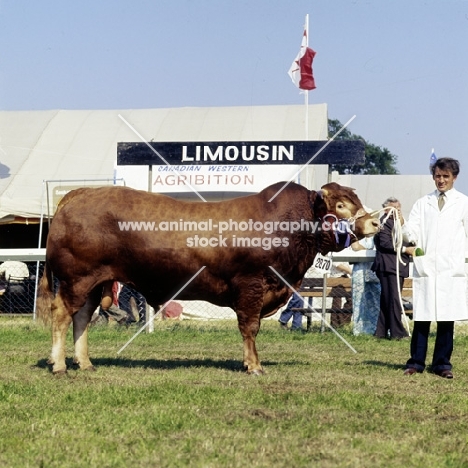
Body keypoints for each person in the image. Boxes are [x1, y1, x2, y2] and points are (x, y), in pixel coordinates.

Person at [402, 157, 468, 379]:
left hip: (450, 268)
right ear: (433, 177)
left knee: (446, 317)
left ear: (454, 178)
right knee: (422, 316)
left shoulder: (463, 203)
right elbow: (412, 229)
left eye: (445, 176)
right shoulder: (423, 203)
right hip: (427, 266)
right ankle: (416, 363)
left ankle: (442, 364)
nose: (441, 180)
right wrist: (403, 228)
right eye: (438, 176)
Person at [372, 197, 411, 340]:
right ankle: (397, 332)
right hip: (389, 266)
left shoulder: (398, 223)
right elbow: (385, 243)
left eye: (399, 208)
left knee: (387, 299)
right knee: (394, 299)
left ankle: (381, 331)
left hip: (394, 266)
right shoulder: (384, 222)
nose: (397, 211)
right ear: (386, 209)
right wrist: (406, 249)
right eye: (394, 208)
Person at [350, 237, 381, 335]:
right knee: (359, 300)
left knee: (377, 299)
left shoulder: (377, 234)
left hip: (374, 268)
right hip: (359, 269)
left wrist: (362, 249)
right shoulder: (356, 233)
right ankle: (360, 330)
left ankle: (377, 328)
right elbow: (355, 246)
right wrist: (368, 251)